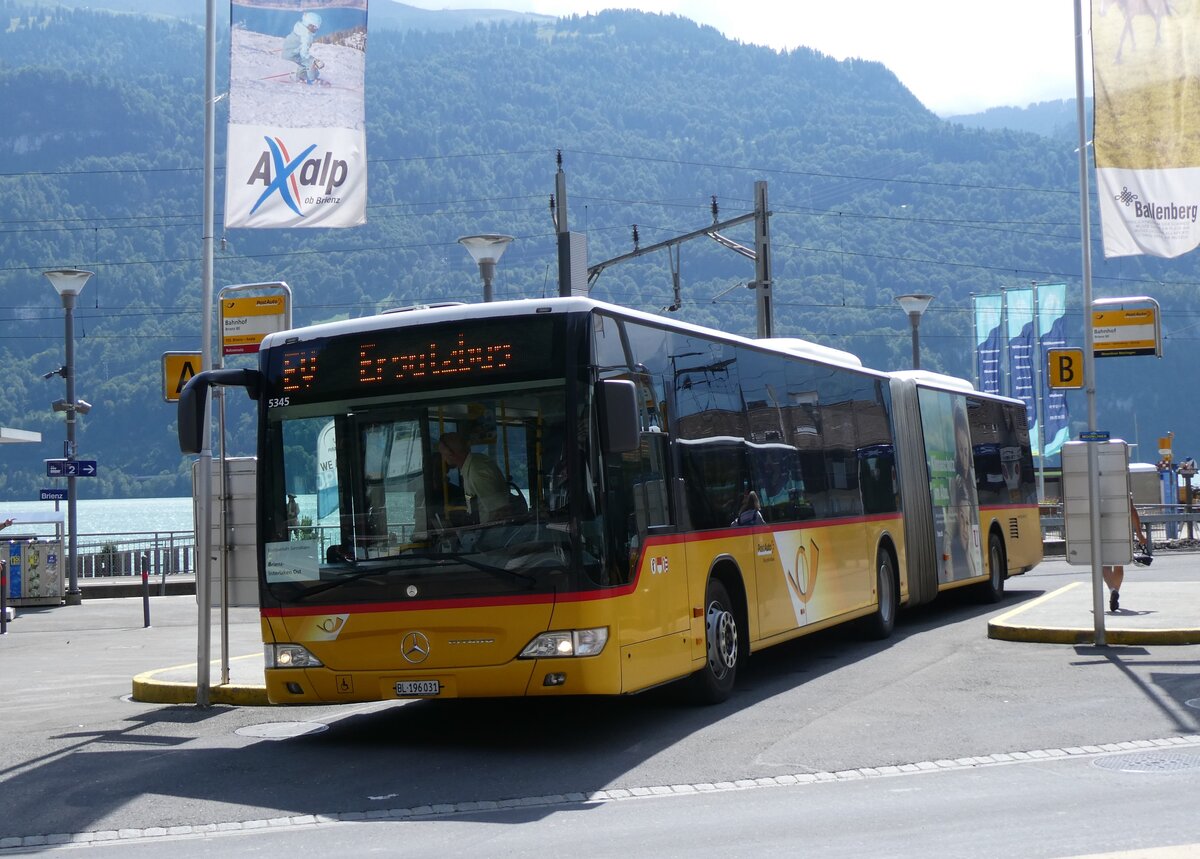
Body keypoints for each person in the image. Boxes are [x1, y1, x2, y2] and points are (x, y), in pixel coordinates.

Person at [438, 431, 512, 523]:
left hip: (492, 532)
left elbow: (501, 511)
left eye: (442, 454)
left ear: (450, 453)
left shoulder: (476, 471)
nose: (443, 458)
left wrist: (486, 533)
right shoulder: (476, 462)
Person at [1104, 496, 1148, 612]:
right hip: (1122, 530)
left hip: (1103, 529)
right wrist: (1139, 533)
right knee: (1119, 564)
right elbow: (1132, 510)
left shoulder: (1095, 486)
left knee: (1104, 565)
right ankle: (1116, 592)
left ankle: (1112, 590)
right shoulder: (1123, 487)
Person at [282, 11, 325, 85]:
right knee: (310, 62)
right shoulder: (306, 36)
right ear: (309, 25)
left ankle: (301, 77)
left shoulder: (299, 27)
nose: (316, 29)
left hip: (288, 51)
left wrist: (292, 47)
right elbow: (304, 54)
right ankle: (313, 80)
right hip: (292, 53)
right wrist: (314, 61)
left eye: (317, 27)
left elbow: (293, 40)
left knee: (303, 62)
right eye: (315, 27)